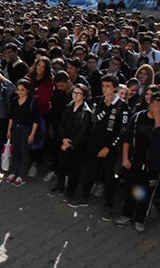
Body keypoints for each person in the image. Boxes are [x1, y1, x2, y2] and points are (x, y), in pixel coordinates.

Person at [69, 75, 130, 222]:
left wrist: (109, 147)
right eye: (103, 86)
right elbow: (94, 120)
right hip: (94, 143)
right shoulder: (98, 101)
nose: (105, 89)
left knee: (110, 178)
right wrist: (105, 106)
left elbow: (122, 130)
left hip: (111, 148)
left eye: (108, 86)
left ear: (115, 88)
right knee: (90, 171)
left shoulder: (123, 106)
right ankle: (84, 197)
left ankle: (109, 206)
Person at [115, 91, 160, 233]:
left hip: (151, 167)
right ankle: (126, 214)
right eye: (155, 103)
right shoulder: (138, 117)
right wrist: (125, 158)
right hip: (134, 162)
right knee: (130, 189)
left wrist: (158, 116)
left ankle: (140, 219)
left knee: (146, 194)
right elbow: (127, 139)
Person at [48, 83, 92, 199]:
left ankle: (71, 191)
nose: (76, 95)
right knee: (62, 165)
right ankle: (60, 186)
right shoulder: (69, 107)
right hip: (65, 142)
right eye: (74, 92)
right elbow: (61, 124)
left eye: (79, 93)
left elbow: (83, 132)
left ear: (84, 96)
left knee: (74, 169)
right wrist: (63, 139)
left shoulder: (86, 112)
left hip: (76, 146)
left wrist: (71, 143)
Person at [6, 79, 40, 187]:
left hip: (26, 129)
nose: (20, 92)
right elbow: (11, 117)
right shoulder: (14, 101)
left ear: (27, 91)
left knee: (24, 152)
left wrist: (32, 134)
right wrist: (9, 130)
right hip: (15, 128)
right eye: (18, 90)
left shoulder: (32, 103)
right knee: (15, 151)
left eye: (22, 90)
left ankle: (22, 175)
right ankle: (14, 172)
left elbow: (36, 121)